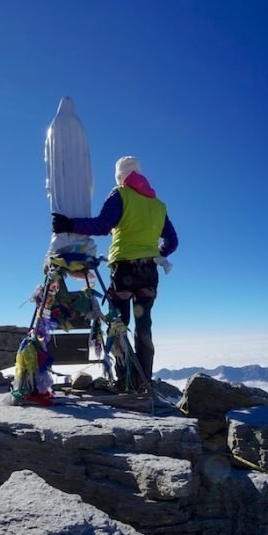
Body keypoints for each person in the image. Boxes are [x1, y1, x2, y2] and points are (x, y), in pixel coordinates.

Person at [51, 156, 178, 391]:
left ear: (120, 176)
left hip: (125, 271)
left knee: (118, 325)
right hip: (149, 272)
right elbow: (172, 241)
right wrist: (156, 252)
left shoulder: (121, 194)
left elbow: (102, 225)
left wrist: (69, 225)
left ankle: (125, 381)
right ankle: (144, 382)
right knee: (144, 327)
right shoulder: (158, 205)